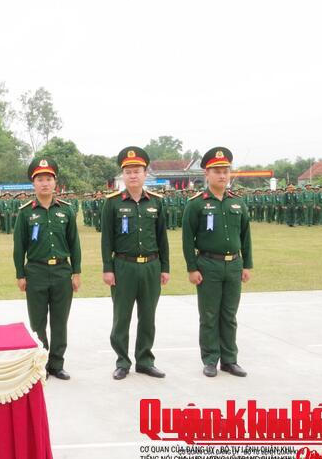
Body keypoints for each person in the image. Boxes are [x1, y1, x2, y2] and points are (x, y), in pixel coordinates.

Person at [182, 147, 253, 378]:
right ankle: (211, 359)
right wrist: (192, 268)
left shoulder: (237, 203)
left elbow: (246, 236)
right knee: (210, 315)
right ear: (207, 174)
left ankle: (230, 360)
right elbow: (187, 239)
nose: (222, 175)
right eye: (217, 171)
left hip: (233, 265)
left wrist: (246, 265)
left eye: (225, 171)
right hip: (208, 265)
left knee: (229, 315)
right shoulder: (196, 203)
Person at [101, 147, 170, 380]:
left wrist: (165, 267)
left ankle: (145, 360)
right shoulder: (112, 203)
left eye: (137, 171)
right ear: (123, 175)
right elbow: (107, 239)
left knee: (148, 316)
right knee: (122, 317)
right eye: (128, 172)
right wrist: (108, 268)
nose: (133, 175)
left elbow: (162, 237)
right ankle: (122, 361)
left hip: (151, 265)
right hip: (123, 266)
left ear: (145, 174)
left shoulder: (157, 203)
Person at [13, 157, 82, 380]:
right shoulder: (25, 213)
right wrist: (20, 274)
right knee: (38, 322)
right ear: (33, 184)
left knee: (60, 321)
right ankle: (40, 364)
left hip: (62, 272)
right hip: (35, 272)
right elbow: (19, 247)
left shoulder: (67, 211)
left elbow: (74, 244)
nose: (44, 183)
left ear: (55, 183)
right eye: (40, 179)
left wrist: (76, 272)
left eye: (48, 179)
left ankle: (57, 364)